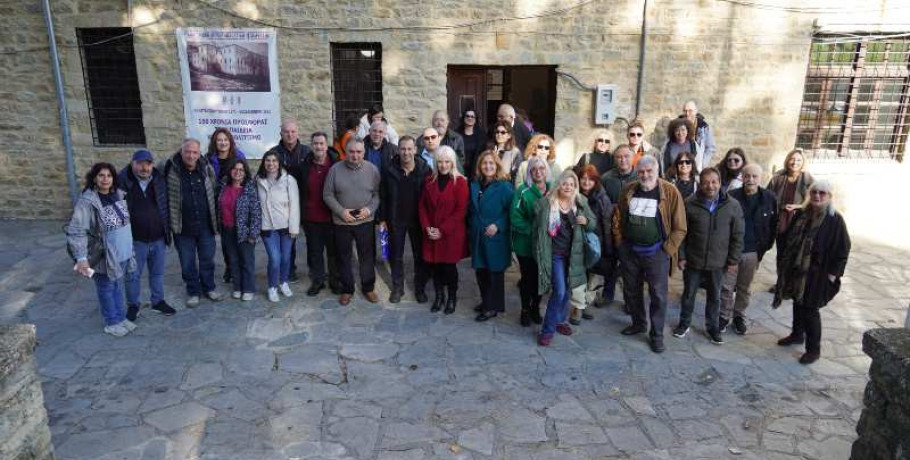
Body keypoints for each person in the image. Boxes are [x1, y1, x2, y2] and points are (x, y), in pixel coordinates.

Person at [613, 155, 687, 353]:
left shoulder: (670, 192)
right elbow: (618, 216)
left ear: (657, 172)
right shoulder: (629, 189)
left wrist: (667, 250)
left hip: (657, 254)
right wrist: (620, 242)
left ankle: (657, 335)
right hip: (630, 251)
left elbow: (680, 227)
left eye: (649, 172)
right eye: (641, 172)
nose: (645, 175)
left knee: (658, 295)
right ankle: (638, 323)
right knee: (631, 290)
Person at [773, 180, 850, 364]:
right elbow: (790, 237)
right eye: (814, 192)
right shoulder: (803, 214)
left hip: (818, 273)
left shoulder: (834, 220)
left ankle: (813, 349)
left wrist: (833, 275)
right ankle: (797, 334)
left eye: (822, 193)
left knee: (810, 309)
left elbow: (843, 249)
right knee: (797, 302)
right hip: (798, 270)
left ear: (829, 197)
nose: (817, 196)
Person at [673, 167, 744, 345]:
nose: (710, 186)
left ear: (720, 183)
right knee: (688, 294)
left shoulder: (732, 206)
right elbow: (682, 233)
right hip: (693, 260)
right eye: (705, 182)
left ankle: (712, 327)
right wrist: (681, 256)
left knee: (715, 296)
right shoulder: (689, 203)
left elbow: (738, 235)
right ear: (700, 183)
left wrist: (734, 260)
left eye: (714, 182)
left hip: (718, 262)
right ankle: (684, 323)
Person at [66, 163, 137, 336]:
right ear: (94, 178)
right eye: (101, 175)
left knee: (117, 286)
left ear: (114, 178)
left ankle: (120, 317)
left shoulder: (118, 194)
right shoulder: (88, 201)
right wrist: (81, 257)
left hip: (121, 253)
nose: (105, 179)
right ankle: (111, 322)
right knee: (106, 287)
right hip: (102, 254)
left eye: (109, 176)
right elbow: (76, 230)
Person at [534, 170, 596, 346]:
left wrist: (586, 222)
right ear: (558, 185)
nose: (568, 187)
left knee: (568, 289)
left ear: (575, 187)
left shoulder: (580, 202)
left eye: (571, 184)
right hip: (555, 255)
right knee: (559, 291)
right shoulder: (547, 203)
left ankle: (560, 320)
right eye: (565, 183)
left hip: (574, 254)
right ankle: (547, 330)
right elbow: (537, 229)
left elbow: (593, 223)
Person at [163, 138, 221, 307]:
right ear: (181, 152)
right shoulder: (170, 168)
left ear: (199, 153)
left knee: (207, 260)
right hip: (182, 227)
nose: (191, 155)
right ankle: (193, 291)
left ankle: (209, 288)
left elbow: (214, 191)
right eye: (187, 151)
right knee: (187, 263)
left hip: (206, 225)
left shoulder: (206, 167)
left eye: (194, 152)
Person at [118, 150, 176, 321]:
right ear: (133, 163)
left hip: (158, 237)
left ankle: (158, 301)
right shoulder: (122, 182)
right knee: (133, 275)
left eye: (148, 164)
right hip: (135, 240)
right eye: (140, 163)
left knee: (157, 273)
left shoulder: (159, 180)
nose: (145, 167)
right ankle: (133, 305)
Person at [323, 139, 381, 305]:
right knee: (343, 257)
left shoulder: (372, 170)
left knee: (367, 256)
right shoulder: (335, 170)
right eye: (352, 152)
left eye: (359, 152)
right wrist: (341, 212)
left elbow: (377, 194)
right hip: (342, 222)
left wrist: (369, 209)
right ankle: (347, 289)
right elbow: (327, 194)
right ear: (346, 152)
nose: (355, 155)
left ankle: (368, 287)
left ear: (364, 152)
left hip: (365, 221)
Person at [721, 164, 778, 335]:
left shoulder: (769, 198)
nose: (751, 180)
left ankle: (739, 316)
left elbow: (773, 226)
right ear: (742, 177)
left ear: (761, 178)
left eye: (754, 176)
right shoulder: (731, 196)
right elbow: (724, 224)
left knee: (744, 287)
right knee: (726, 286)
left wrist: (763, 249)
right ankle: (723, 316)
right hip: (732, 251)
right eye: (747, 176)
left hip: (753, 252)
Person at [380, 135, 432, 303]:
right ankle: (398, 288)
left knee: (419, 256)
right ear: (398, 150)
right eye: (403, 149)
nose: (406, 152)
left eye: (409, 149)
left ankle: (420, 288)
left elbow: (430, 197)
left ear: (415, 150)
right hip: (396, 220)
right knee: (396, 256)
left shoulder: (425, 170)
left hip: (418, 220)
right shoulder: (389, 169)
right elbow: (383, 196)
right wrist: (382, 219)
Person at [419, 146, 469, 314]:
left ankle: (452, 298)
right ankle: (439, 296)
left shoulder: (460, 182)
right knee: (435, 268)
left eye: (447, 161)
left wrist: (442, 230)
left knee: (449, 269)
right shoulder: (429, 181)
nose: (443, 165)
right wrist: (427, 228)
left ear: (452, 163)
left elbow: (460, 211)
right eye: (440, 161)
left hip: (450, 234)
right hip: (432, 233)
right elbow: (422, 207)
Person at [292, 132, 341, 297]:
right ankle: (317, 281)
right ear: (311, 146)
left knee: (334, 252)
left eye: (321, 143)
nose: (318, 146)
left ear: (326, 146)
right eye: (315, 144)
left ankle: (335, 281)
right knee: (314, 252)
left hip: (332, 217)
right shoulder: (304, 166)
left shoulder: (336, 164)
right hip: (311, 218)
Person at [470, 150, 515, 322]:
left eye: (491, 163)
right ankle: (486, 302)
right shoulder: (475, 184)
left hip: (495, 236)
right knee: (481, 271)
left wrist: (499, 225)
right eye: (484, 163)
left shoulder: (504, 187)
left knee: (493, 273)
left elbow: (512, 211)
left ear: (497, 166)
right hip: (478, 235)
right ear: (480, 166)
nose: (488, 166)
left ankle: (492, 307)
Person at [570, 165, 615, 324]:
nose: (587, 182)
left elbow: (607, 224)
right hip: (575, 243)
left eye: (590, 179)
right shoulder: (573, 195)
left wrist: (608, 249)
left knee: (592, 278)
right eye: (583, 179)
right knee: (578, 276)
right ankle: (578, 308)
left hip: (595, 244)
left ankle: (582, 306)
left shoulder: (602, 198)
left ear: (596, 181)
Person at [268, 119, 311, 283]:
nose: (290, 134)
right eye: (286, 132)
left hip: (306, 200)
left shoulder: (307, 152)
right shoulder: (274, 153)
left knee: (311, 238)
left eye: (293, 131)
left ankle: (314, 269)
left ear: (297, 133)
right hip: (284, 203)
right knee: (288, 238)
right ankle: (289, 270)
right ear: (281, 134)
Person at [510, 157, 550, 327]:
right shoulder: (523, 191)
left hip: (545, 245)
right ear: (529, 173)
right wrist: (534, 230)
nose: (538, 172)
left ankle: (535, 307)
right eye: (534, 169)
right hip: (525, 244)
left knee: (541, 278)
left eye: (542, 168)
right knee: (527, 278)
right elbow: (515, 217)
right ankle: (525, 309)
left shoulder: (552, 190)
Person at [257, 151, 300, 303]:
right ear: (264, 163)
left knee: (286, 258)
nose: (271, 164)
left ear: (279, 162)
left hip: (286, 227)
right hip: (268, 227)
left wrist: (294, 228)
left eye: (274, 160)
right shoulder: (258, 181)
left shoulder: (289, 180)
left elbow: (295, 205)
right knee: (275, 258)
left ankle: (283, 282)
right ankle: (272, 287)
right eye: (268, 160)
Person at [205, 127, 247, 285]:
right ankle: (230, 267)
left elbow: (245, 176)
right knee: (226, 238)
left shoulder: (238, 156)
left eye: (225, 140)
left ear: (230, 142)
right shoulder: (208, 158)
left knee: (239, 235)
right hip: (217, 201)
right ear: (215, 143)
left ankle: (241, 267)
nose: (222, 143)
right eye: (219, 140)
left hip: (236, 199)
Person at [218, 159, 261, 301]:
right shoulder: (224, 186)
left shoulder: (249, 188)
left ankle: (248, 288)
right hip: (227, 230)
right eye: (235, 169)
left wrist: (253, 234)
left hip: (245, 231)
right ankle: (237, 286)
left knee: (246, 261)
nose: (238, 172)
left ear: (245, 172)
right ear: (230, 171)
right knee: (233, 260)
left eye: (241, 170)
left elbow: (256, 212)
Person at [768, 148, 815, 268]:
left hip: (798, 222)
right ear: (787, 160)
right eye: (792, 159)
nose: (795, 162)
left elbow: (815, 201)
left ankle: (790, 284)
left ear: (803, 162)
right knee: (781, 253)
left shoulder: (808, 180)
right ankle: (780, 283)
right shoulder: (779, 176)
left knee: (794, 255)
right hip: (781, 221)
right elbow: (767, 196)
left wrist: (799, 206)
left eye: (799, 160)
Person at [681, 100, 718, 167]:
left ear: (696, 111)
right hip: (681, 164)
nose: (687, 114)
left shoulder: (704, 127)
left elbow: (710, 148)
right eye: (685, 111)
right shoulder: (676, 126)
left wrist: (702, 164)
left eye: (690, 111)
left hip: (697, 165)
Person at [457, 109, 486, 179]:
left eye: (472, 116)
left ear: (475, 119)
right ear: (463, 118)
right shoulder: (456, 135)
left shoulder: (482, 136)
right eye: (467, 116)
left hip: (476, 170)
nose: (470, 118)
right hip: (459, 169)